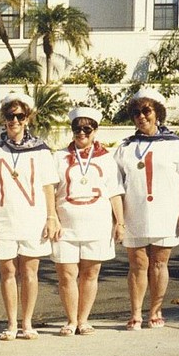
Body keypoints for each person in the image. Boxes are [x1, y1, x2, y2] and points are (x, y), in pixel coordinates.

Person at [114, 88, 179, 330]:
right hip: (134, 212)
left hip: (165, 213)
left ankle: (156, 311)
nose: (141, 116)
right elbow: (115, 184)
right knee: (138, 264)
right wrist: (118, 219)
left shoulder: (174, 145)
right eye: (136, 113)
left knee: (159, 263)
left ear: (157, 113)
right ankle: (136, 313)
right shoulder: (126, 147)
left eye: (146, 111)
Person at [0, 92, 59, 340]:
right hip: (2, 218)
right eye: (10, 116)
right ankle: (11, 323)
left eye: (19, 116)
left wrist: (51, 217)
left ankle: (27, 322)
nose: (14, 121)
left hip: (32, 219)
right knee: (7, 271)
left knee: (29, 272)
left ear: (27, 118)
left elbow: (48, 186)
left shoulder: (41, 150)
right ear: (4, 119)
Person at [52, 106, 125, 336]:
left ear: (95, 130)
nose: (81, 133)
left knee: (90, 274)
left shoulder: (107, 159)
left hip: (97, 225)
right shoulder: (59, 157)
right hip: (65, 226)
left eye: (87, 129)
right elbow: (50, 191)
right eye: (77, 129)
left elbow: (115, 192)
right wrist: (52, 218)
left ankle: (83, 320)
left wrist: (120, 222)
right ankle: (71, 320)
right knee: (67, 275)